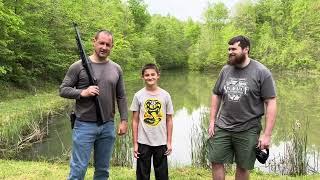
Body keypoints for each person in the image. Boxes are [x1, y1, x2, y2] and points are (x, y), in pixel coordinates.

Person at [59, 29, 128, 180]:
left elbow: (121, 96)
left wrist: (124, 120)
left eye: (108, 44)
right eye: (101, 43)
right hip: (84, 125)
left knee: (103, 170)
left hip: (107, 125)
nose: (104, 47)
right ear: (94, 42)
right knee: (78, 169)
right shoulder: (78, 66)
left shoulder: (116, 68)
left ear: (112, 46)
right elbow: (63, 90)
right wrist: (82, 92)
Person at [207, 35, 277, 180]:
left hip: (248, 128)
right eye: (229, 49)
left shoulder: (262, 72)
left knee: (243, 166)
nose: (230, 52)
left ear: (246, 49)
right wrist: (212, 120)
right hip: (223, 126)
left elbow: (270, 102)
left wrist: (267, 134)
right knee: (216, 161)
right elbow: (216, 94)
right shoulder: (225, 70)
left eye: (234, 49)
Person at [130, 63, 174, 180]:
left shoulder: (165, 95)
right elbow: (134, 121)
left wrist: (169, 142)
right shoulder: (138, 95)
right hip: (143, 141)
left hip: (161, 141)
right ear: (142, 77)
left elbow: (169, 120)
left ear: (158, 75)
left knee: (162, 175)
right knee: (142, 175)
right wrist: (135, 144)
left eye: (153, 74)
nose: (150, 77)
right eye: (147, 75)